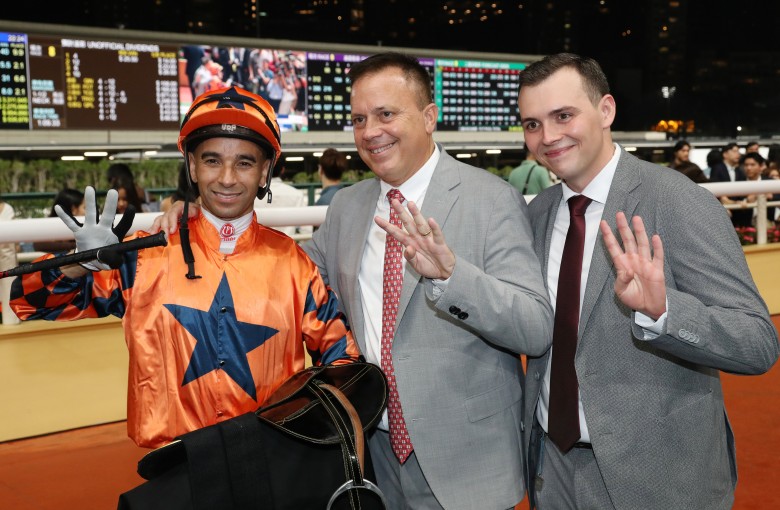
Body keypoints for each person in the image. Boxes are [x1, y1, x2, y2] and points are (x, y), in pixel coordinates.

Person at [153, 51, 553, 510]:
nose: (370, 131)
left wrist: (452, 277)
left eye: (386, 114)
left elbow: (535, 327)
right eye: (360, 118)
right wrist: (201, 222)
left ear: (429, 117)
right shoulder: (348, 207)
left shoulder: (492, 199)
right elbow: (275, 273)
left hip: (466, 461)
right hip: (370, 456)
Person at [10, 85, 360, 449]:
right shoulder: (142, 256)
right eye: (212, 160)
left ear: (265, 171)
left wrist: (302, 436)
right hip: (172, 470)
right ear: (192, 166)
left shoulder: (294, 263)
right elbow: (31, 304)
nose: (226, 178)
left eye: (244, 162)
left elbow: (343, 361)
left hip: (271, 465)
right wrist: (79, 266)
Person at [516, 52, 779, 510]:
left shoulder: (677, 200)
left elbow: (756, 343)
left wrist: (664, 312)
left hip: (658, 478)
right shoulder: (538, 213)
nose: (548, 137)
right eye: (532, 124)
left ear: (606, 111)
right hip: (551, 470)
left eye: (563, 116)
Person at [253, 162, 312, 238]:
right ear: (282, 170)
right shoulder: (296, 194)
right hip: (289, 246)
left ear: (263, 169)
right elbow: (306, 230)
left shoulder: (251, 195)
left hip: (258, 247)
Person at [710, 142, 751, 227]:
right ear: (725, 154)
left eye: (738, 151)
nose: (738, 154)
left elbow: (742, 189)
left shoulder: (739, 170)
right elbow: (715, 189)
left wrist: (742, 200)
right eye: (734, 151)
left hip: (738, 206)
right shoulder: (717, 168)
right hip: (722, 206)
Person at [32, 188, 86, 253]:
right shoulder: (50, 229)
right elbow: (37, 244)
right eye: (84, 207)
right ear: (74, 209)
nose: (87, 211)